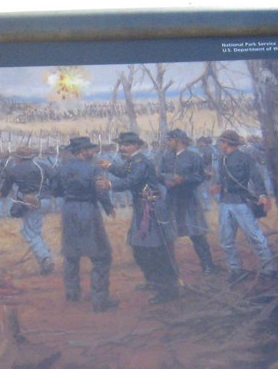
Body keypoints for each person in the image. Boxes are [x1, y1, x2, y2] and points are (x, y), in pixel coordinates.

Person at [106, 133, 179, 304]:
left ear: (136, 146)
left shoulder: (140, 162)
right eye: (121, 145)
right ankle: (153, 281)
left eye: (126, 145)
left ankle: (168, 290)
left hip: (152, 209)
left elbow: (131, 180)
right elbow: (124, 172)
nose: (122, 148)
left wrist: (109, 184)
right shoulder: (133, 161)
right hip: (143, 208)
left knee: (158, 250)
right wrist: (109, 166)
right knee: (139, 248)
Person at [54, 135, 116, 312]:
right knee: (101, 256)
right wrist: (108, 207)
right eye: (90, 149)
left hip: (69, 211)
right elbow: (101, 192)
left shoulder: (62, 169)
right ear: (82, 151)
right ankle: (99, 300)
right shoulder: (93, 169)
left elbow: (55, 190)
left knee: (71, 254)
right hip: (88, 211)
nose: (93, 152)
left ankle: (72, 294)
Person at [214, 130, 276, 283]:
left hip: (241, 202)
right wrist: (217, 186)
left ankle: (269, 268)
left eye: (222, 142)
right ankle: (235, 270)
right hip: (225, 203)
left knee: (255, 237)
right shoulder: (222, 159)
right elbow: (222, 180)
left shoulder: (244, 158)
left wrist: (262, 195)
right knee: (226, 240)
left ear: (228, 143)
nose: (220, 145)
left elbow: (256, 177)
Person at [159, 129, 217, 275]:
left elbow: (199, 177)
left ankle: (208, 265)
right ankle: (170, 271)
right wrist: (166, 181)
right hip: (171, 200)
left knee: (197, 233)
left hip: (188, 200)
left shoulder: (193, 157)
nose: (167, 143)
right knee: (167, 234)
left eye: (170, 140)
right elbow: (159, 174)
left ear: (178, 140)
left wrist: (183, 179)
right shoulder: (166, 156)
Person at [0, 144, 54, 275]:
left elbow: (5, 189)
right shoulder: (42, 166)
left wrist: (1, 195)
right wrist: (50, 192)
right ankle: (45, 259)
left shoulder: (14, 170)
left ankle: (45, 258)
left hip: (31, 203)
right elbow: (56, 178)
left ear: (19, 158)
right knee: (35, 231)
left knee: (28, 233)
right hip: (45, 201)